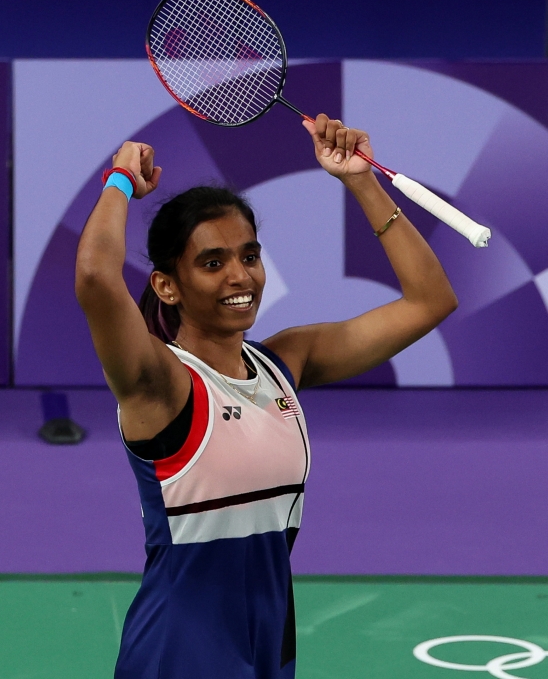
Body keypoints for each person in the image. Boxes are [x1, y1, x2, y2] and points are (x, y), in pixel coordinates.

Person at [75, 115, 457, 678]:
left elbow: (430, 300)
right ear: (167, 285)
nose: (241, 276)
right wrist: (120, 181)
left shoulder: (285, 362)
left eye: (249, 256)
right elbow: (94, 278)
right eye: (212, 263)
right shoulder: (160, 383)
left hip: (269, 651)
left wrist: (360, 181)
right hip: (180, 656)